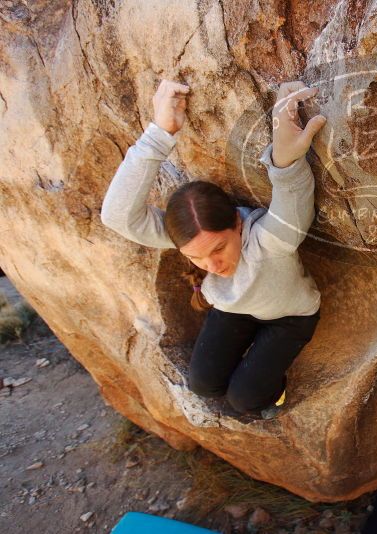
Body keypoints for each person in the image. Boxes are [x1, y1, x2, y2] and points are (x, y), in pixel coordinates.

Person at [100, 79, 328, 420]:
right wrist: (159, 134)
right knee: (204, 386)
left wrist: (285, 156)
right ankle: (254, 361)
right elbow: (118, 216)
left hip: (290, 318)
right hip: (235, 309)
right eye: (196, 257)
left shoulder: (270, 241)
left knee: (245, 399)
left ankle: (274, 388)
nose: (213, 265)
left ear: (237, 223)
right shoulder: (193, 242)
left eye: (219, 248)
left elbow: (291, 200)